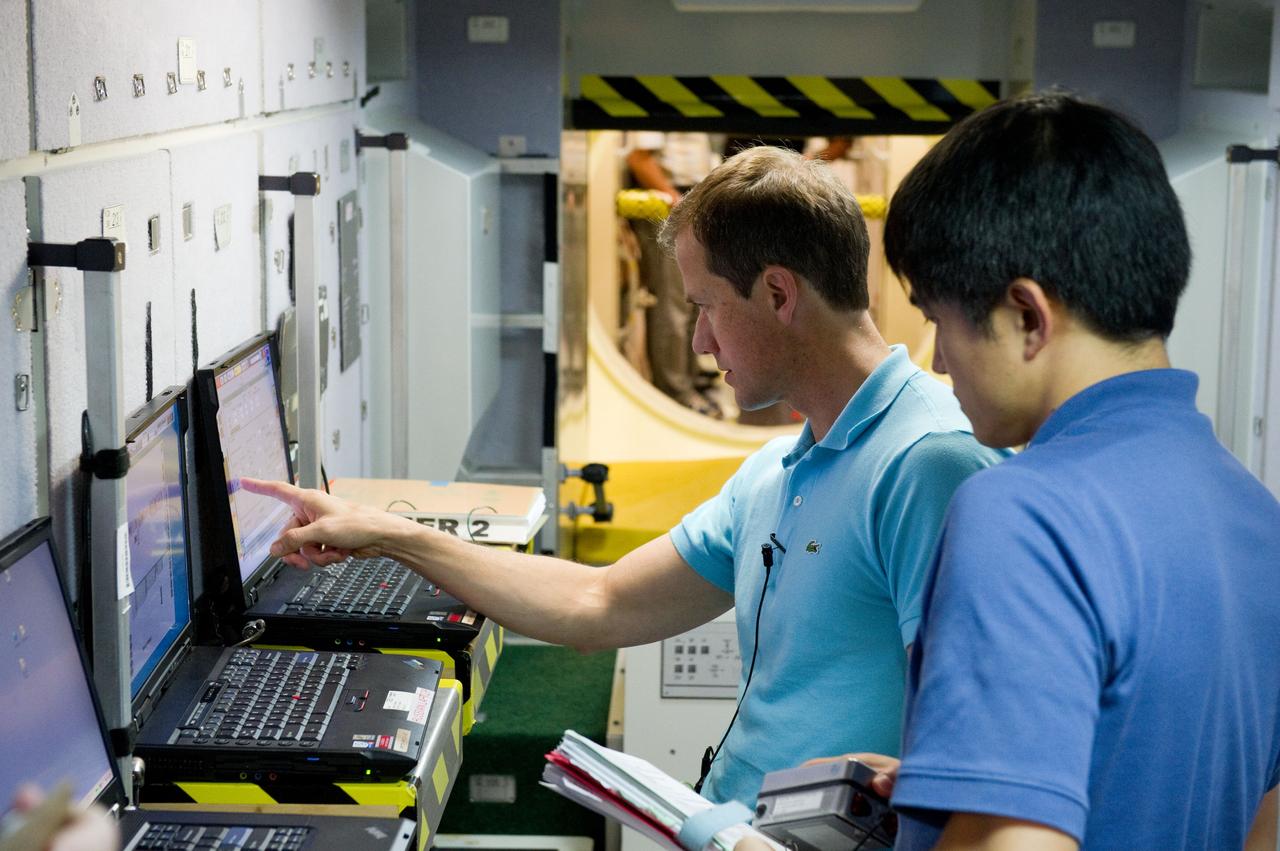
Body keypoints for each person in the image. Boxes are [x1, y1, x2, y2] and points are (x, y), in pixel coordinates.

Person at [244, 145, 1006, 806]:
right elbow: (597, 601)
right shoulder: (777, 470)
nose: (701, 339)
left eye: (706, 307)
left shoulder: (926, 466)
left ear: (778, 293)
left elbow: (976, 762)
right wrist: (393, 534)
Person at [806, 92, 1280, 850]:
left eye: (938, 320)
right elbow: (1258, 821)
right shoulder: (1258, 519)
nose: (937, 360)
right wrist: (957, 785)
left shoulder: (1023, 513)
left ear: (1027, 314)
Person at [624, 132, 723, 417]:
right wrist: (678, 203)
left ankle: (688, 384)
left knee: (693, 304)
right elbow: (639, 159)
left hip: (694, 198)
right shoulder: (657, 95)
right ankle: (674, 395)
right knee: (674, 305)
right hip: (671, 203)